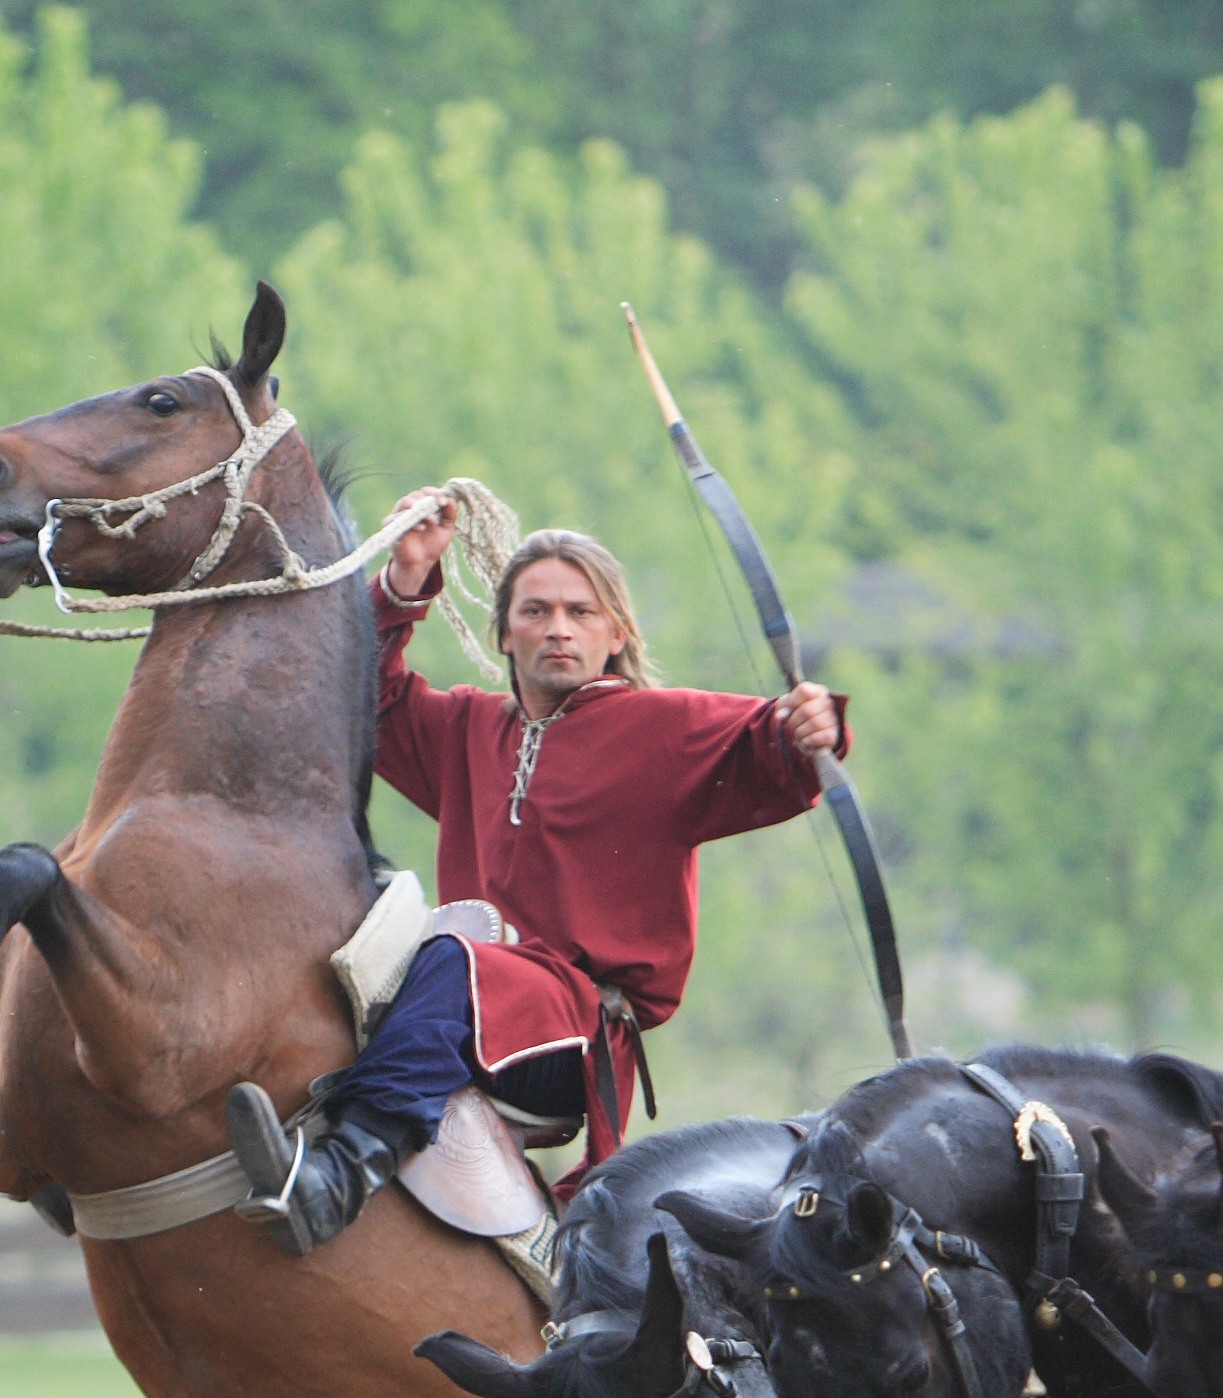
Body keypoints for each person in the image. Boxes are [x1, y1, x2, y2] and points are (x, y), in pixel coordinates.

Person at [223, 501, 849, 1250]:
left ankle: (341, 1175)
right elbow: (369, 695)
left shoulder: (665, 728)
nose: (559, 627)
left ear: (615, 634)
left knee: (453, 959)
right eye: (538, 610)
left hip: (572, 1033)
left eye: (582, 611)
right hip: (466, 999)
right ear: (506, 633)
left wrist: (809, 727)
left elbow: (768, 744)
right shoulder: (467, 729)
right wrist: (405, 579)